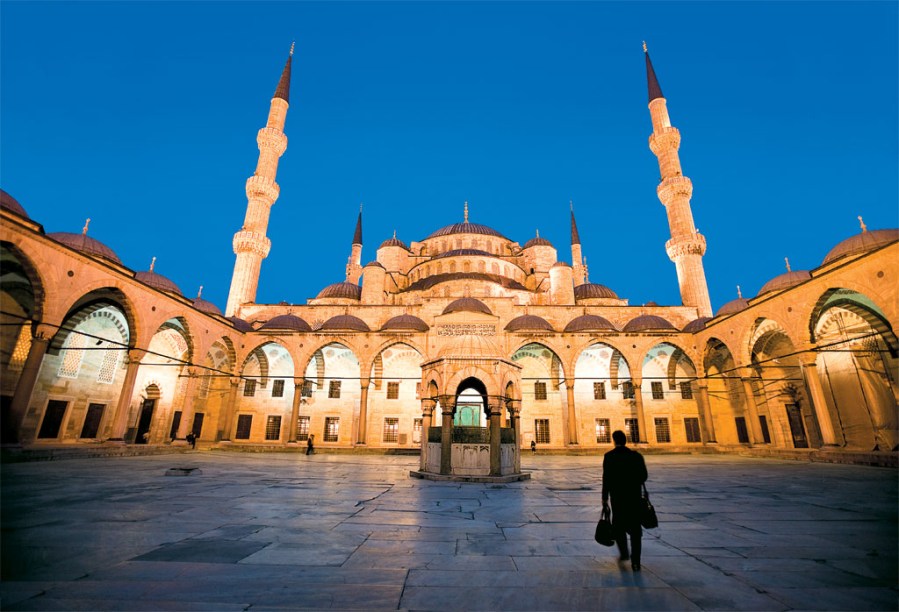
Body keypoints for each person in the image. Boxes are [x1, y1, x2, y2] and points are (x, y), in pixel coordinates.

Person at [601, 429, 648, 571]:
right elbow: (643, 476)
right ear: (625, 440)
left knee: (619, 526)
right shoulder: (636, 456)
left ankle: (624, 553)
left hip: (618, 498)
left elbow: (606, 478)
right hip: (634, 498)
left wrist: (604, 498)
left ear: (614, 440)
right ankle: (636, 561)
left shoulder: (609, 456)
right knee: (635, 530)